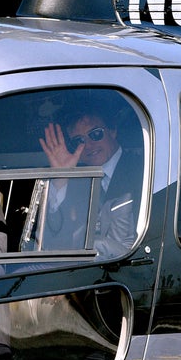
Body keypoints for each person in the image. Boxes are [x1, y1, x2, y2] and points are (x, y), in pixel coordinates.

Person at [38, 106, 141, 257]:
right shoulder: (73, 181)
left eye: (95, 134)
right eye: (79, 140)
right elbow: (50, 240)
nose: (88, 145)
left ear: (112, 131)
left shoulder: (143, 169)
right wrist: (61, 177)